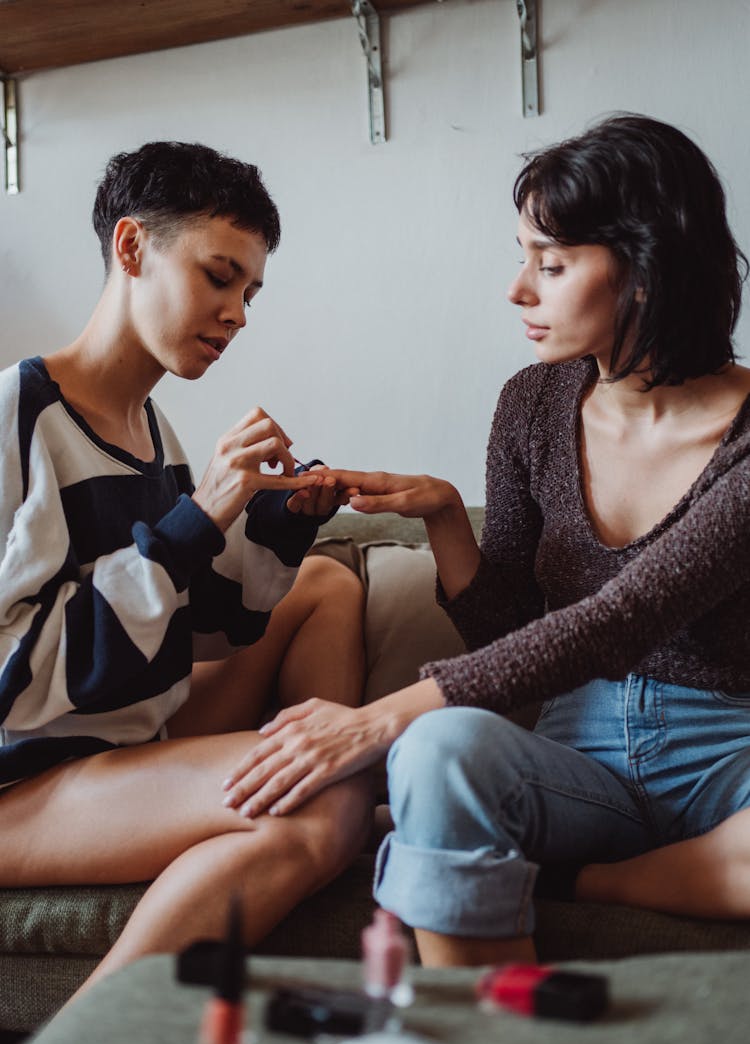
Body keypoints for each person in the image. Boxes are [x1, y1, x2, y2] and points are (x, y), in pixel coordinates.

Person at [220, 114, 750, 966]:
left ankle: (597, 881)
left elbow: (625, 616)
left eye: (551, 263)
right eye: (523, 257)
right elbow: (511, 642)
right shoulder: (531, 407)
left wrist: (374, 720)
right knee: (438, 748)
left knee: (410, 729)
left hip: (728, 757)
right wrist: (442, 517)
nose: (518, 289)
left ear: (646, 269)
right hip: (581, 763)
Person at [0, 141, 371, 996]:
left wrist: (271, 522)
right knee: (328, 799)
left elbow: (191, 633)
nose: (238, 312)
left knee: (326, 587)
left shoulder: (151, 430)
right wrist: (194, 517)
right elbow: (14, 680)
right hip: (28, 775)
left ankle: (293, 790)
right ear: (132, 249)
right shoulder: (20, 413)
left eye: (249, 291)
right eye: (218, 276)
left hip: (126, 736)